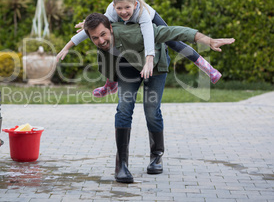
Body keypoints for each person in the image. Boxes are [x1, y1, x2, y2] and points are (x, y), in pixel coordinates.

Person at [82, 12, 235, 183]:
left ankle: (156, 156)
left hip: (154, 64)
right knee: (124, 109)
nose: (101, 41)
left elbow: (174, 33)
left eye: (103, 35)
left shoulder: (136, 32)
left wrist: (208, 40)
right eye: (95, 38)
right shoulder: (99, 37)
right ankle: (121, 166)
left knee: (151, 110)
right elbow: (99, 52)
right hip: (127, 67)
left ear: (111, 28)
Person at [56, 0, 222, 98]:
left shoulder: (142, 13)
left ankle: (207, 68)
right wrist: (67, 47)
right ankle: (110, 84)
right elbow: (93, 30)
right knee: (106, 44)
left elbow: (148, 35)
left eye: (127, 7)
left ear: (134, 4)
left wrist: (149, 58)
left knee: (172, 41)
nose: (123, 12)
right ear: (114, 6)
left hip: (152, 20)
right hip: (125, 31)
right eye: (119, 8)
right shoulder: (111, 12)